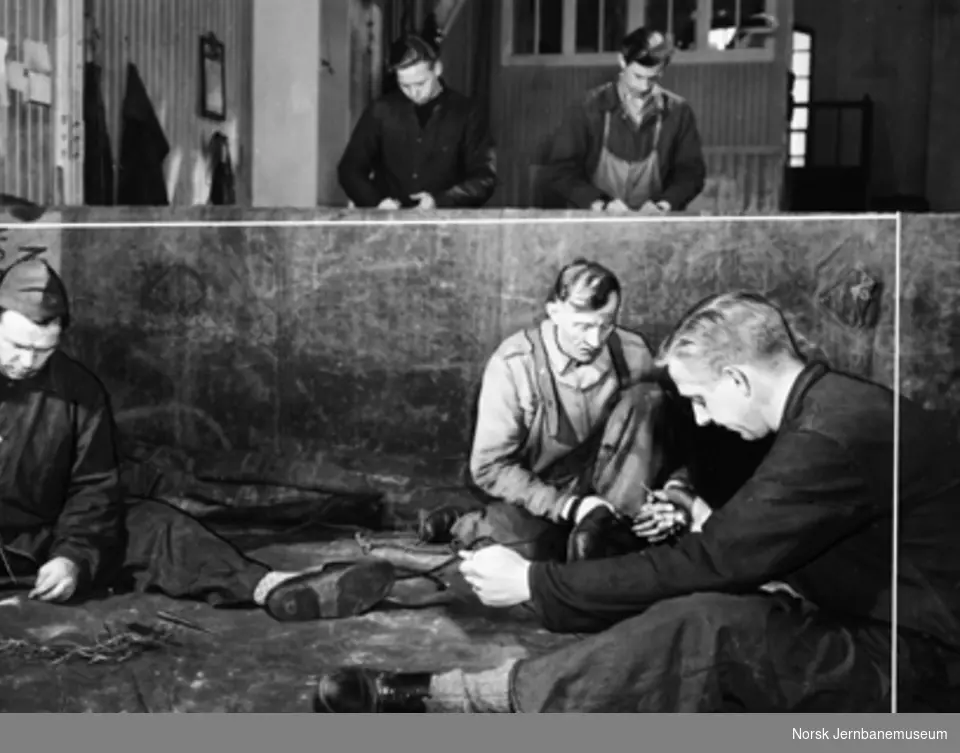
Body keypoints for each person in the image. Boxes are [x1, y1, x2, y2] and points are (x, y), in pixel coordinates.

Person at [313, 291, 960, 713]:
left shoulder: (828, 435)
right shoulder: (836, 404)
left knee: (708, 624)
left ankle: (461, 696)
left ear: (738, 376)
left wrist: (537, 583)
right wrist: (693, 506)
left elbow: (715, 562)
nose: (702, 420)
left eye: (703, 399)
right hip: (889, 621)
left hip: (922, 667)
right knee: (704, 609)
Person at [0, 259, 398, 676]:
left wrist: (74, 555)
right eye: (14, 345)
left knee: (154, 523)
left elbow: (95, 489)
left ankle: (275, 590)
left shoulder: (80, 390)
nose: (26, 362)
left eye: (43, 350)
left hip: (42, 534)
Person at [420, 259, 711, 564]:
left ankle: (612, 531)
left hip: (616, 488)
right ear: (554, 311)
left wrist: (673, 496)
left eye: (606, 323)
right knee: (530, 553)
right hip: (543, 494)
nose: (594, 340)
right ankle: (466, 522)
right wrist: (570, 507)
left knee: (649, 398)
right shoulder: (515, 365)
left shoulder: (632, 351)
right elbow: (490, 467)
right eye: (582, 326)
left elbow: (681, 435)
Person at [545, 28, 706, 214]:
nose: (644, 86)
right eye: (638, 76)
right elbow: (561, 171)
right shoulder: (587, 108)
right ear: (622, 61)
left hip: (653, 226)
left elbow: (691, 174)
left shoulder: (678, 112)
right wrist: (600, 203)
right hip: (594, 223)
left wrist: (664, 204)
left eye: (653, 78)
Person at [337, 34, 497, 210]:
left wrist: (440, 200)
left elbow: (484, 179)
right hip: (388, 225)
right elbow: (349, 169)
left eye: (421, 84)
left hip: (447, 224)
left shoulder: (467, 113)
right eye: (405, 86)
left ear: (437, 69)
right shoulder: (381, 110)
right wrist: (377, 202)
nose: (414, 92)